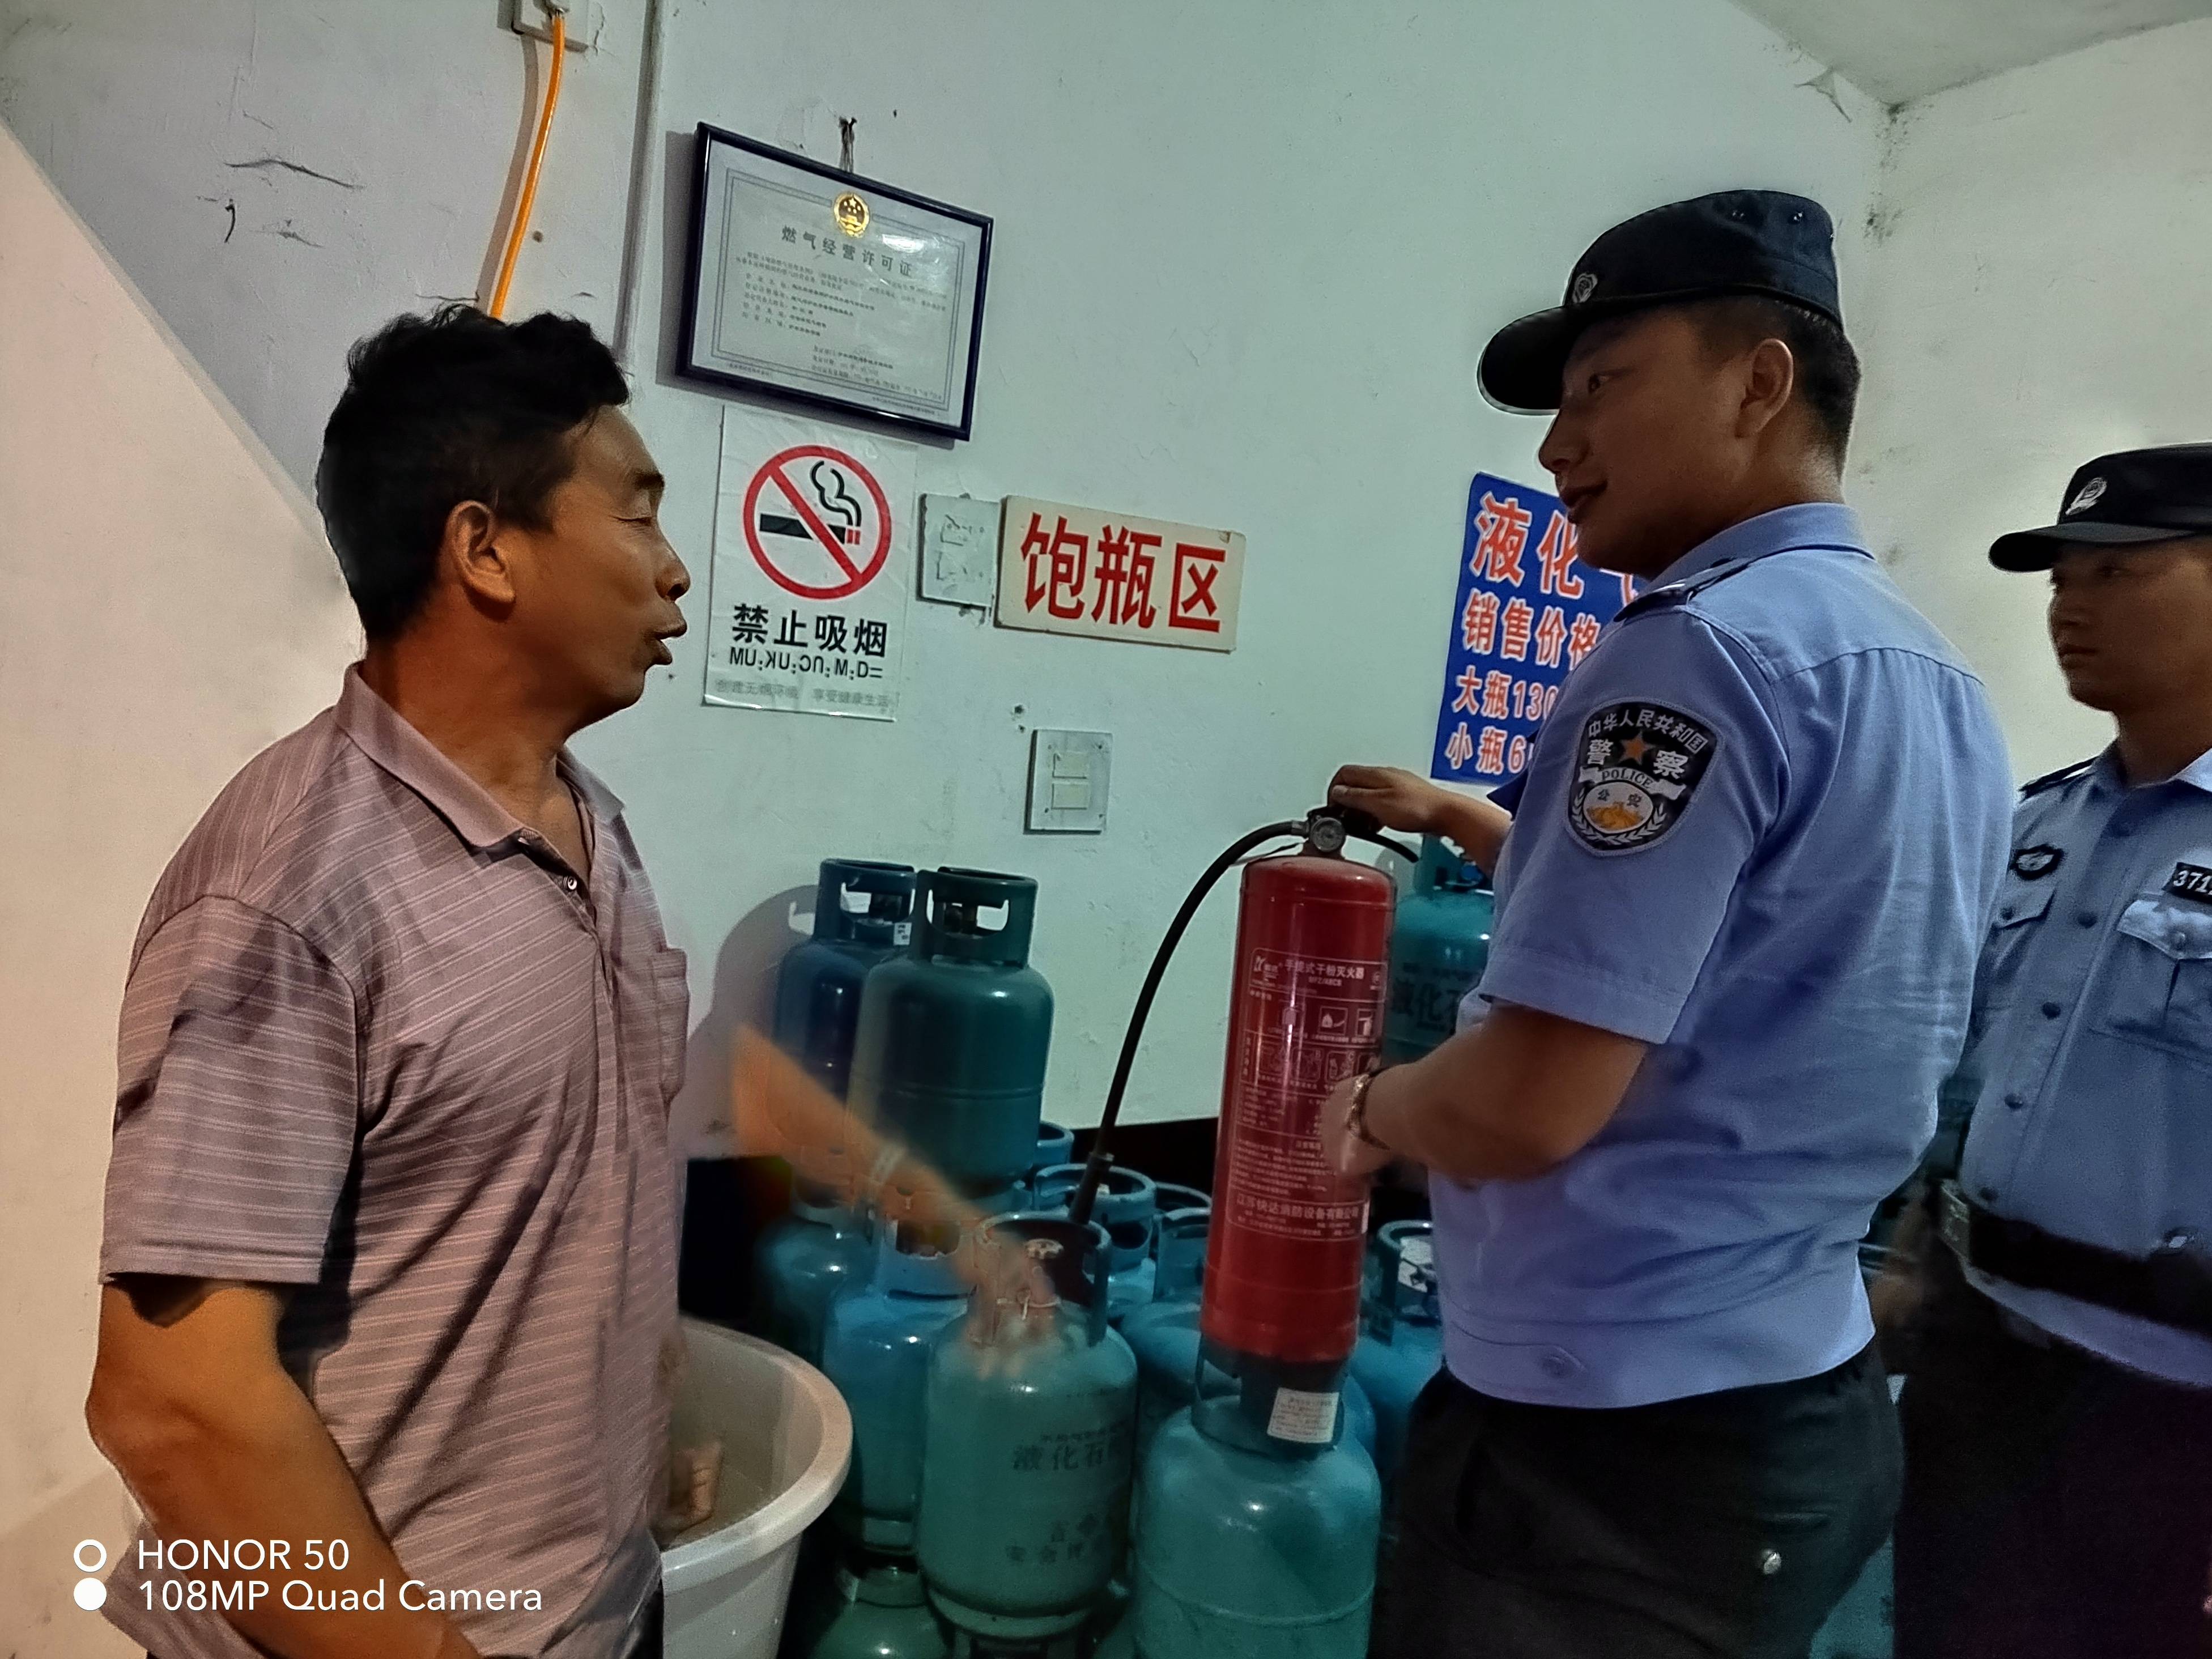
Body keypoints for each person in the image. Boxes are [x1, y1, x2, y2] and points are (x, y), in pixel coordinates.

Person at [1320, 190, 2014, 1658]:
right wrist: (1468, 817)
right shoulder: (1929, 679)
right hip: (1802, 1398)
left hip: (1609, 1457)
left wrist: (1375, 1107)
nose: (1557, 446)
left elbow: (1523, 1105)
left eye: (1602, 386)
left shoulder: (1692, 656)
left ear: (1759, 382)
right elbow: (1750, 937)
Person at [84, 306, 694, 1659]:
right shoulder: (293, 891)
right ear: (485, 549)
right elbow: (172, 1402)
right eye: (637, 514)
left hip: (596, 1613)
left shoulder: (593, 827)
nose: (675, 571)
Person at [1885, 446, 2212, 1659]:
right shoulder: (2035, 826)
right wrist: (1908, 1261)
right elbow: (1966, 1084)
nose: (2071, 606)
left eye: (2118, 573)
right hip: (1979, 1362)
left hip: (2170, 1412)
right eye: (2062, 578)